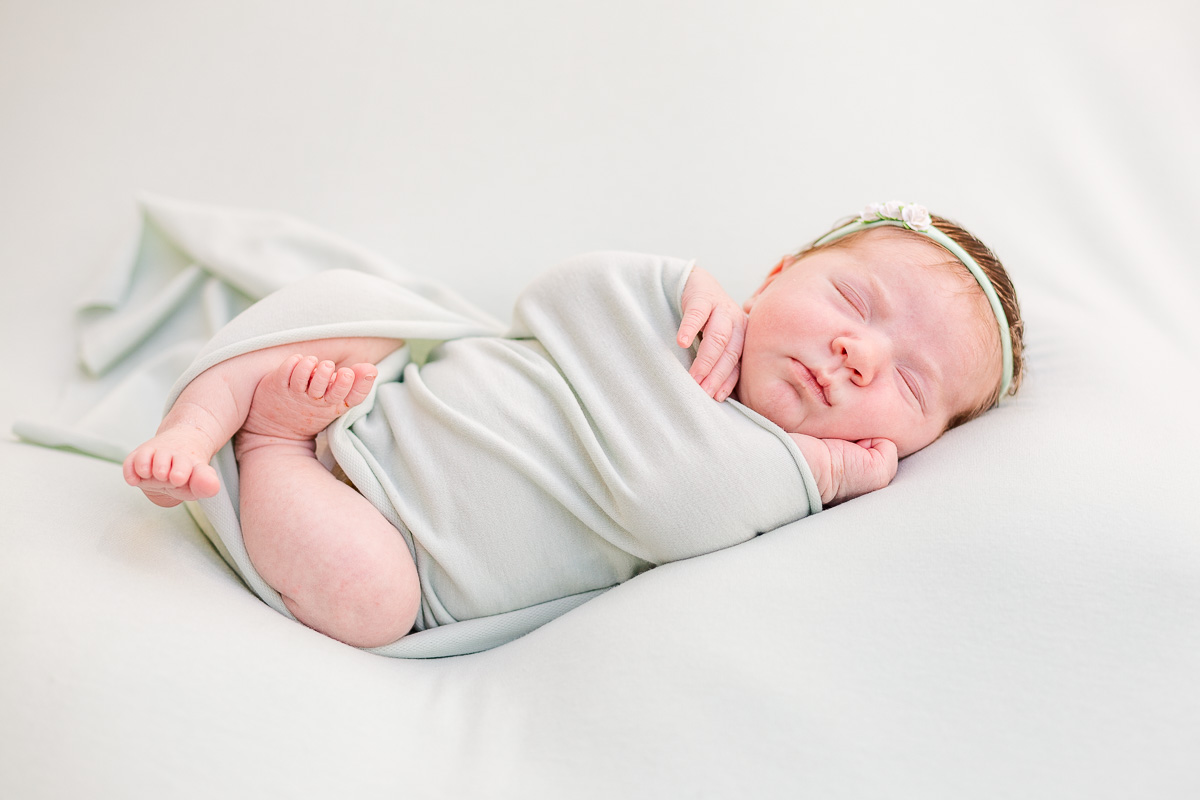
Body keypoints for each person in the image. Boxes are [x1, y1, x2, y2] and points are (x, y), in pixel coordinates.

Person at [123, 202, 1024, 649]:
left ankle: (266, 444)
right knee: (365, 309)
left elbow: (670, 502)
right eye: (853, 299)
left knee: (372, 604)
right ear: (778, 273)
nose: (858, 354)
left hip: (380, 538)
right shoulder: (677, 311)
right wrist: (676, 280)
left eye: (909, 383)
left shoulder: (776, 476)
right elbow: (554, 301)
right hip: (378, 400)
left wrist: (827, 475)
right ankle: (200, 418)